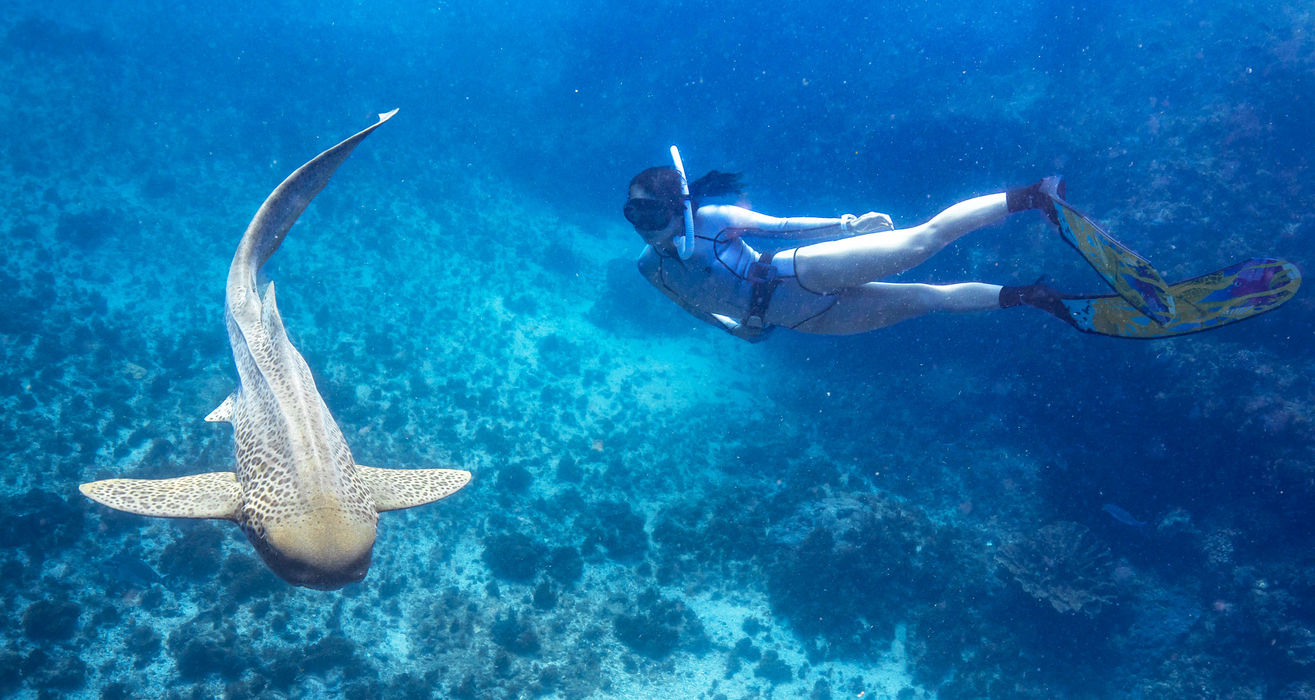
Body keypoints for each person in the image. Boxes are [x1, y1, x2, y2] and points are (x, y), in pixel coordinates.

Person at [624, 159, 1074, 342]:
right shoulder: (649, 268)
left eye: (650, 215)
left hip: (794, 274)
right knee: (929, 299)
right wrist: (732, 329)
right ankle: (1034, 296)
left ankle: (1036, 195)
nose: (644, 229)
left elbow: (781, 228)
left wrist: (847, 225)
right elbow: (690, 306)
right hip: (805, 320)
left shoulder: (712, 220)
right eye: (633, 216)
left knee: (922, 240)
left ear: (675, 207)